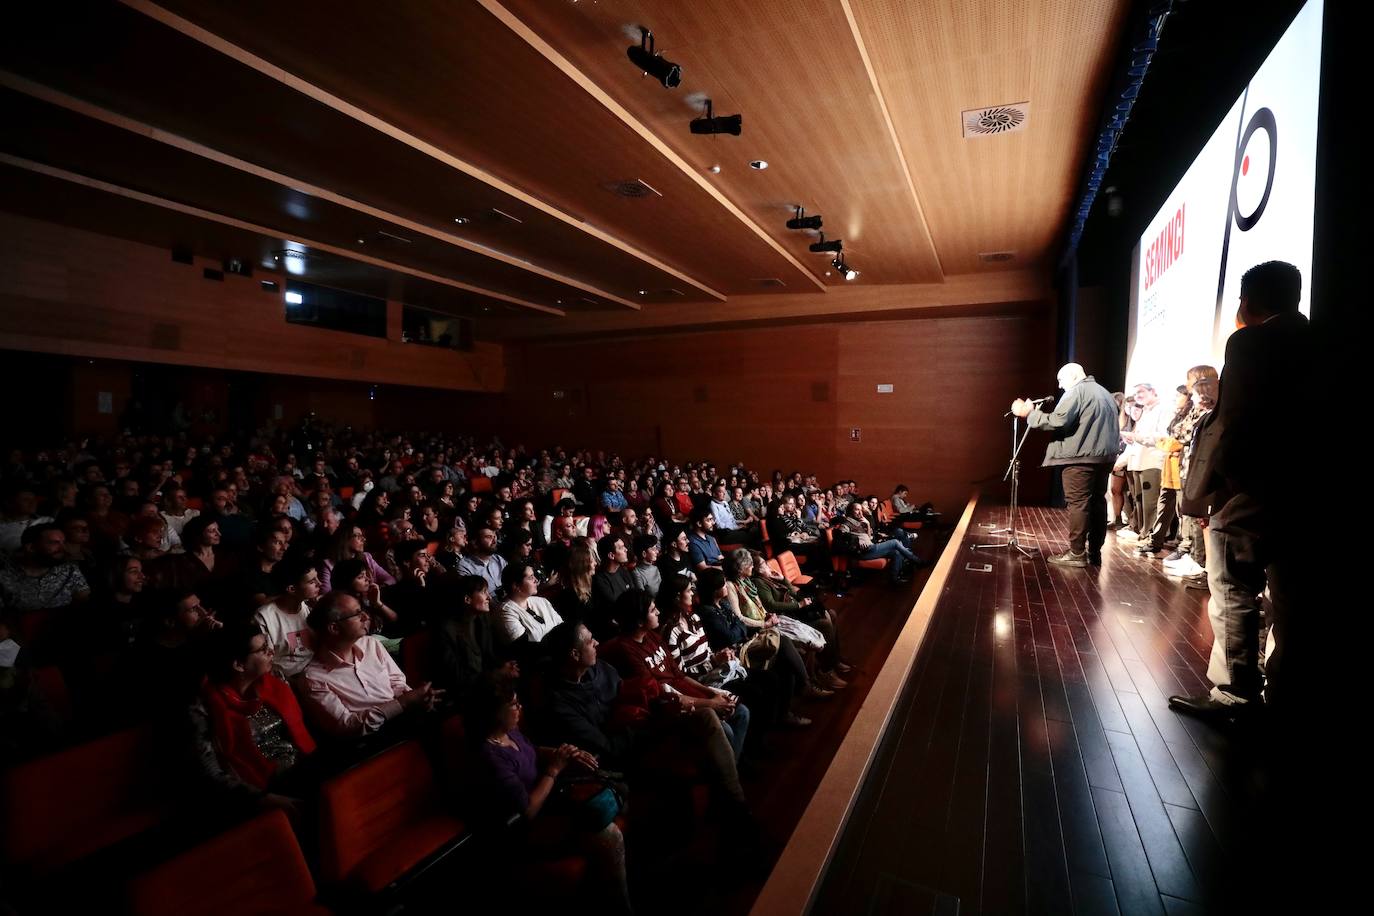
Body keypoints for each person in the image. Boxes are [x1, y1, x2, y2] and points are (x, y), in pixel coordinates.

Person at [1169, 261, 1315, 720]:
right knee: (1291, 593)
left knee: (1233, 586)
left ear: (1247, 301)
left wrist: (1215, 489)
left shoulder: (1251, 342)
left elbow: (1235, 424)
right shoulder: (1320, 340)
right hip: (1309, 488)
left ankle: (1235, 692)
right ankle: (1288, 692)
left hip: (1253, 488)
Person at [467, 682, 630, 914]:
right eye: (514, 704)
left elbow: (531, 750)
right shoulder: (491, 757)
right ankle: (621, 909)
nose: (520, 707)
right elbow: (528, 810)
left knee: (612, 794)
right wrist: (554, 769)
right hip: (531, 826)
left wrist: (563, 753)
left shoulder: (509, 732)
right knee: (610, 835)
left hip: (552, 799)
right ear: (494, 712)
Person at [190, 622, 317, 817]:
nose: (271, 652)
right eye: (263, 649)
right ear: (239, 664)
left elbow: (301, 733)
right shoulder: (205, 707)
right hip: (258, 789)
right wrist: (263, 798)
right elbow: (211, 772)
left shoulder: (276, 680)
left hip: (300, 769)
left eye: (269, 645)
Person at [1012, 362, 1122, 567]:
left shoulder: (1076, 392)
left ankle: (1077, 553)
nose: (1060, 386)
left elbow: (1058, 421)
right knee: (1097, 502)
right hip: (1104, 458)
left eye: (1061, 380)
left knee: (1078, 504)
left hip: (1080, 457)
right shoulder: (1104, 393)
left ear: (1072, 377)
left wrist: (1030, 414)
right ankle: (1094, 552)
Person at [296, 591, 442, 738]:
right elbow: (345, 726)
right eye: (357, 614)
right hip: (372, 742)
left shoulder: (371, 644)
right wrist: (402, 703)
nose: (366, 617)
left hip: (405, 720)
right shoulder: (312, 678)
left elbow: (397, 682)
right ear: (334, 628)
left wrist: (417, 699)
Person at [253, 557, 321, 680]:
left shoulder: (306, 607)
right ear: (292, 589)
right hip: (288, 678)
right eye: (312, 582)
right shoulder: (265, 617)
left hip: (316, 670)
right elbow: (267, 662)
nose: (319, 584)